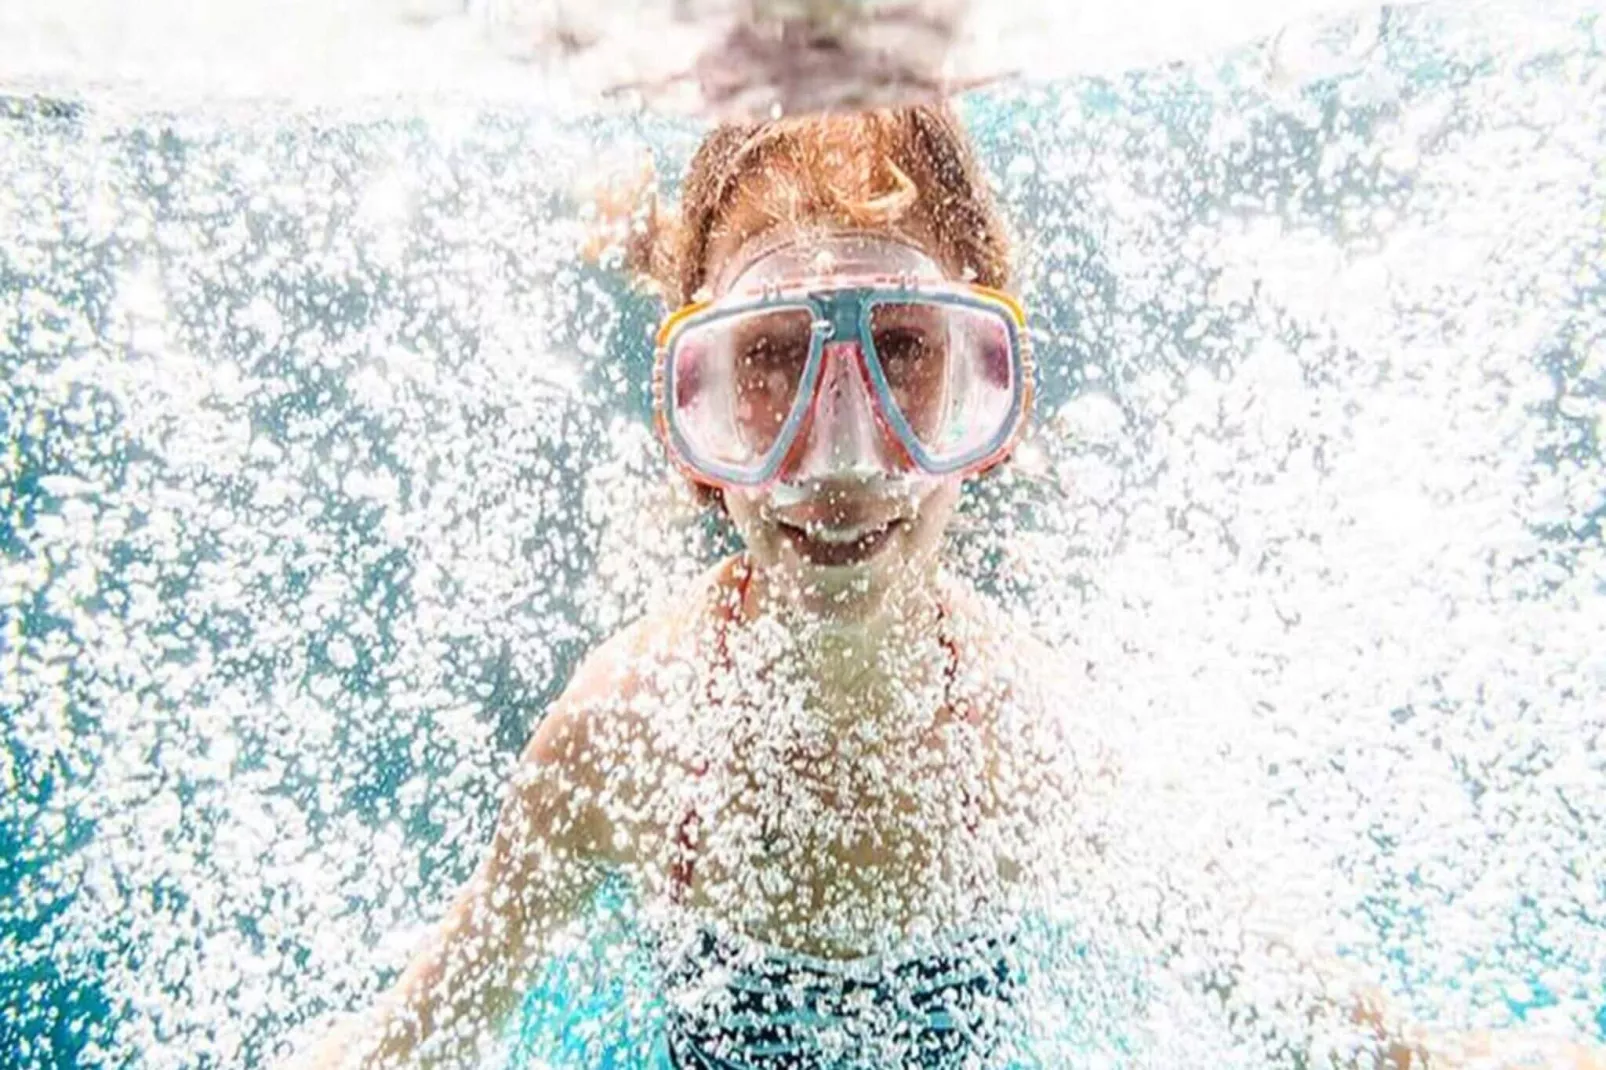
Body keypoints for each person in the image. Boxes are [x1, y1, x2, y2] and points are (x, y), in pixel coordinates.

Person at [285, 104, 1604, 1070]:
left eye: (904, 348)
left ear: (990, 396)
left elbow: (1320, 1021)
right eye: (771, 362)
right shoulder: (623, 732)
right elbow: (420, 1035)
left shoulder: (1029, 739)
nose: (843, 453)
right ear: (693, 424)